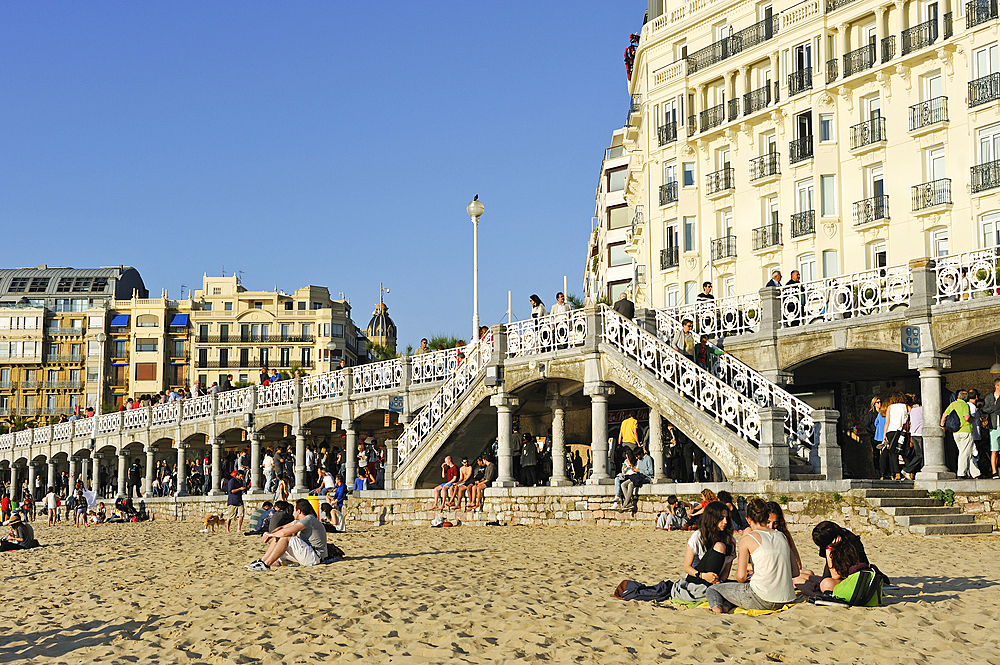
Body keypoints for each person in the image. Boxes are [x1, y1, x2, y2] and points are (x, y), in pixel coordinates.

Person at [706, 498, 799, 613]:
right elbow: (795, 572)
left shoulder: (749, 538)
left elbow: (741, 577)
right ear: (766, 517)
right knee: (733, 592)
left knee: (713, 590)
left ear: (748, 520)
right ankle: (725, 606)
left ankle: (716, 608)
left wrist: (736, 577)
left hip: (762, 598)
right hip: (786, 597)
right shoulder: (782, 536)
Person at [669, 501, 736, 602]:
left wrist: (720, 581)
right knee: (720, 546)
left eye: (726, 518)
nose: (725, 522)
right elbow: (686, 567)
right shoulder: (698, 536)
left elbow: (726, 570)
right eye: (721, 518)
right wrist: (704, 576)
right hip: (698, 578)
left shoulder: (730, 540)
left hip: (717, 579)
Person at [245, 499, 327, 571]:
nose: (293, 512)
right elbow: (282, 528)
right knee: (279, 540)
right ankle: (263, 561)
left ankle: (266, 564)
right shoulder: (303, 521)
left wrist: (270, 535)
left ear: (299, 511)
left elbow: (285, 533)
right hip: (308, 554)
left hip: (314, 557)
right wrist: (272, 534)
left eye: (294, 510)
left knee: (286, 538)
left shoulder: (309, 519)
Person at [941, 390, 975, 478]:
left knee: (966, 452)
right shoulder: (964, 405)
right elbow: (967, 417)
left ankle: (975, 473)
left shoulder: (953, 404)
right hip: (965, 430)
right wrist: (973, 419)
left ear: (958, 397)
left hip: (955, 432)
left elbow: (944, 415)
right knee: (965, 452)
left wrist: (942, 426)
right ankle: (961, 473)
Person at [881, 392, 909, 481]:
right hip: (902, 431)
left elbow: (887, 422)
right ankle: (909, 471)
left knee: (893, 453)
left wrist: (884, 434)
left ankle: (897, 473)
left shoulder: (890, 407)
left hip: (891, 431)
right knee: (904, 451)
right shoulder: (906, 407)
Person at [901, 394, 924, 479]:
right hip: (921, 433)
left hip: (913, 434)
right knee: (921, 455)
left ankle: (919, 470)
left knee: (918, 454)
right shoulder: (923, 410)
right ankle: (907, 469)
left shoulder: (912, 410)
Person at [982, 377, 1000, 479]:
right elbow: (985, 409)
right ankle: (994, 471)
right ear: (996, 386)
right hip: (994, 426)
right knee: (994, 449)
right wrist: (995, 407)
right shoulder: (989, 397)